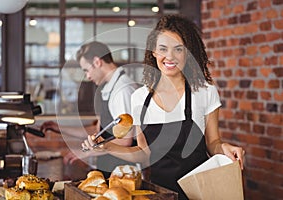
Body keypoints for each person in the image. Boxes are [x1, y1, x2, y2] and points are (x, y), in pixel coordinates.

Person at [81, 15, 245, 199]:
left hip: (201, 192)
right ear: (154, 52)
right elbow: (144, 153)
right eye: (163, 49)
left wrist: (225, 148)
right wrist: (107, 147)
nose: (170, 56)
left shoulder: (205, 92)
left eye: (178, 49)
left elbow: (213, 143)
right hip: (160, 194)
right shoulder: (140, 99)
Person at [40, 41, 139, 179]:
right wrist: (59, 128)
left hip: (123, 174)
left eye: (86, 70)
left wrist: (86, 152)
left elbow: (125, 141)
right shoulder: (109, 88)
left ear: (97, 62)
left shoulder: (123, 90)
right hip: (110, 170)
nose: (87, 76)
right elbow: (98, 132)